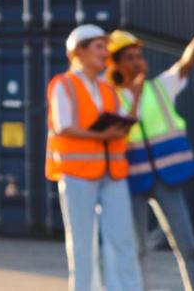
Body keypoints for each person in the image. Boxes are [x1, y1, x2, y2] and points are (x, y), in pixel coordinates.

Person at [108, 9, 194, 291]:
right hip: (132, 182)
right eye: (129, 58)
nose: (137, 62)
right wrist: (133, 93)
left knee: (188, 247)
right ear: (116, 66)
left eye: (139, 56)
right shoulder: (110, 100)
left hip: (167, 179)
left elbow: (187, 61)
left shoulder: (160, 88)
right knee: (136, 250)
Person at [46, 24, 142, 291]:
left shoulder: (108, 87)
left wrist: (135, 95)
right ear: (79, 51)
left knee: (123, 242)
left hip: (112, 174)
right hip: (77, 175)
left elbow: (126, 120)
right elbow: (63, 125)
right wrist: (102, 136)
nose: (105, 53)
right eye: (99, 47)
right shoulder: (62, 84)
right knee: (82, 245)